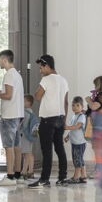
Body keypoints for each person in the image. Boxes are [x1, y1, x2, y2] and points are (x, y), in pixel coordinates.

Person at [27, 54, 69, 187]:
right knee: (59, 148)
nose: (40, 71)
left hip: (47, 119)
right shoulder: (63, 80)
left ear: (46, 66)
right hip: (60, 118)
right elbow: (66, 102)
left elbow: (37, 96)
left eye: (41, 68)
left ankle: (44, 179)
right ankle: (62, 177)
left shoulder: (46, 79)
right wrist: (64, 120)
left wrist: (42, 81)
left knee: (47, 150)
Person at [0, 49, 26, 181]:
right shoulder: (17, 75)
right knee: (17, 145)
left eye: (0, 59)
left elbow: (8, 95)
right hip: (17, 115)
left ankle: (10, 176)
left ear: (5, 60)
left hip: (9, 116)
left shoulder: (9, 75)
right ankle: (17, 174)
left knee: (8, 146)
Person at [64, 96, 90, 183]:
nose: (75, 107)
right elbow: (72, 128)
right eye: (73, 105)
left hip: (80, 142)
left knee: (77, 160)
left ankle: (76, 177)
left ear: (82, 107)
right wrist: (68, 136)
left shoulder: (82, 116)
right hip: (75, 142)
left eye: (77, 105)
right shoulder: (73, 116)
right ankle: (83, 176)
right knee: (80, 159)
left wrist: (67, 127)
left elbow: (78, 126)